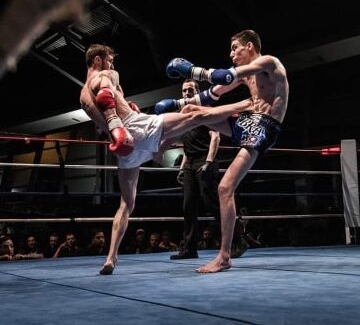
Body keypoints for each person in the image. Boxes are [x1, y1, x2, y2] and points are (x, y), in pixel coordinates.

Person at [79, 40, 271, 275]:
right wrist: (117, 124)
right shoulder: (107, 74)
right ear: (98, 60)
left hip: (123, 150)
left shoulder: (82, 97)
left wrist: (118, 126)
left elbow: (101, 114)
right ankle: (246, 112)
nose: (112, 64)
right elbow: (106, 93)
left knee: (126, 204)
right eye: (109, 59)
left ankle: (111, 258)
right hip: (133, 130)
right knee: (194, 116)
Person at [157, 29, 289, 272]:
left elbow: (224, 77)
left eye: (235, 48)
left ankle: (224, 257)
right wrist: (178, 104)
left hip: (264, 126)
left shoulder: (269, 63)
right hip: (248, 121)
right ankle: (156, 137)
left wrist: (190, 70)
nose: (231, 54)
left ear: (249, 46)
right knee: (193, 114)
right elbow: (211, 94)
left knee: (225, 187)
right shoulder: (244, 76)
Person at [170, 79, 221, 260]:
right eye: (184, 91)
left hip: (204, 161)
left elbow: (215, 137)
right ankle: (190, 249)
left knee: (211, 203)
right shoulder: (183, 115)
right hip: (190, 163)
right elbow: (187, 147)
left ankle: (238, 240)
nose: (187, 93)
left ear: (197, 91)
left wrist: (208, 162)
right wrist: (182, 168)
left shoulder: (203, 110)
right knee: (188, 206)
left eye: (190, 90)